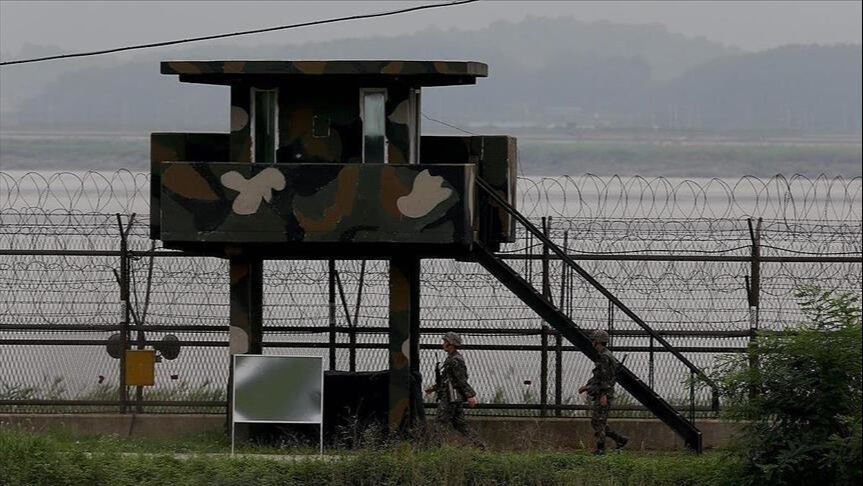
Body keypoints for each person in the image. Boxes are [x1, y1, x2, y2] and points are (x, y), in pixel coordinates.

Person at [425, 331, 484, 448]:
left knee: (440, 422)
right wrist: (433, 388)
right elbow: (447, 379)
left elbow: (461, 380)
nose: (443, 344)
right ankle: (479, 446)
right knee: (460, 424)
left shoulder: (455, 360)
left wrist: (470, 395)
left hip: (451, 397)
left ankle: (434, 449)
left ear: (451, 344)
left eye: (445, 341)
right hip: (453, 397)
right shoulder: (451, 359)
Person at [578, 329, 628, 455]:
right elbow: (599, 376)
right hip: (602, 392)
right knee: (598, 421)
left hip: (604, 394)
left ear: (597, 342)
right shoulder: (605, 355)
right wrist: (588, 387)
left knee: (598, 421)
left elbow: (605, 378)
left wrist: (604, 395)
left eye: (593, 340)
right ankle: (620, 440)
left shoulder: (604, 356)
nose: (592, 343)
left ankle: (601, 449)